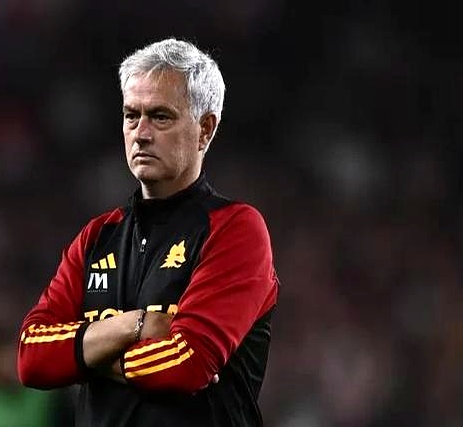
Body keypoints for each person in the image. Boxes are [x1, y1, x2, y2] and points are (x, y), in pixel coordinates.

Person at [17, 38, 279, 426]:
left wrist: (86, 356)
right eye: (131, 115)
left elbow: (187, 363)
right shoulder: (96, 236)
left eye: (160, 117)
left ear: (205, 129)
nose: (140, 133)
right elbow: (31, 357)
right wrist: (134, 325)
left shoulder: (235, 229)